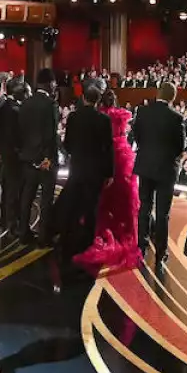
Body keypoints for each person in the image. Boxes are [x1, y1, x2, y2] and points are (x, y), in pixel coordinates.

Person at [74, 89, 141, 275]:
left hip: (103, 157)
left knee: (102, 199)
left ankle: (97, 231)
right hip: (122, 157)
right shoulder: (121, 116)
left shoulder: (100, 116)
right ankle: (126, 233)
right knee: (124, 200)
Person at [56, 81, 114, 258]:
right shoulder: (104, 120)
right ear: (97, 101)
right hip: (95, 170)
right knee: (91, 206)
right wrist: (109, 173)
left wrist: (74, 154)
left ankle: (68, 237)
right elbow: (108, 148)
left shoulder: (73, 117)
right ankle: (88, 242)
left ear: (83, 98)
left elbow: (67, 144)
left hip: (78, 168)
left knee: (73, 202)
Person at [133, 82, 185, 271]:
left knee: (144, 208)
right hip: (165, 169)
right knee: (162, 214)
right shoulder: (176, 118)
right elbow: (180, 146)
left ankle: (141, 248)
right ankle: (160, 256)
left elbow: (136, 136)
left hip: (145, 166)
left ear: (157, 93)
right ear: (173, 97)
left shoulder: (142, 112)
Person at [17, 69, 59, 245]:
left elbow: (21, 131)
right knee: (46, 200)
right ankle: (43, 237)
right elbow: (51, 134)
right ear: (49, 83)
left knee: (27, 197)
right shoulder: (50, 104)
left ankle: (23, 234)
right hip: (45, 161)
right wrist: (47, 158)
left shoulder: (25, 103)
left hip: (28, 158)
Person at [0, 77, 25, 235]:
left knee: (7, 188)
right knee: (14, 189)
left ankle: (4, 221)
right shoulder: (15, 109)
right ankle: (12, 223)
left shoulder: (2, 105)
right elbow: (17, 134)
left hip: (4, 153)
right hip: (14, 153)